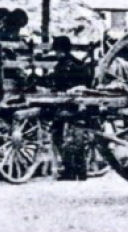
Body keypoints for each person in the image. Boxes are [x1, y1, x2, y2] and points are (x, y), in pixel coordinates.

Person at [46, 36, 93, 181]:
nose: (56, 54)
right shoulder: (78, 64)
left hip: (69, 106)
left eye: (58, 51)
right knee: (76, 140)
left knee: (61, 137)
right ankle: (79, 171)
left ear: (62, 50)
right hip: (79, 107)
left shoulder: (64, 66)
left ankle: (71, 170)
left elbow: (57, 83)